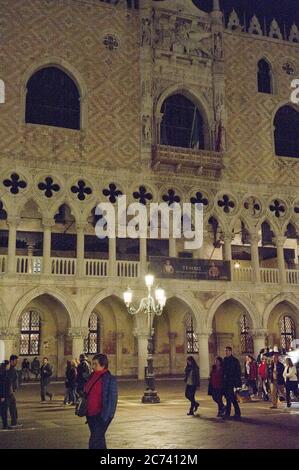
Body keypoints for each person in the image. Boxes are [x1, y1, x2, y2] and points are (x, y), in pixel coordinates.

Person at [85, 353, 118, 450]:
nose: (93, 366)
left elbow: (113, 400)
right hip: (91, 415)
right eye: (92, 364)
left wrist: (107, 417)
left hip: (102, 416)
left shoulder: (109, 379)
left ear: (103, 365)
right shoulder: (91, 376)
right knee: (99, 440)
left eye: (95, 364)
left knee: (94, 441)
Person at [222, 346, 242, 420]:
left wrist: (237, 383)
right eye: (225, 351)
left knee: (229, 398)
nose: (226, 352)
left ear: (230, 351)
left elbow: (237, 372)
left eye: (227, 351)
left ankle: (227, 414)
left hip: (231, 382)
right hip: (226, 382)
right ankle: (238, 412)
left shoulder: (235, 360)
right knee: (232, 398)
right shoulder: (225, 360)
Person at [6, 355, 22, 428]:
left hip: (11, 392)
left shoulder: (12, 369)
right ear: (11, 361)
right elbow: (9, 381)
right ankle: (12, 423)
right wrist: (11, 391)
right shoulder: (11, 370)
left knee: (12, 408)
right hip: (9, 393)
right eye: (15, 361)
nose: (16, 362)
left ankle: (14, 422)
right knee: (9, 408)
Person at [0, 361, 11, 430]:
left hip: (4, 394)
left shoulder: (3, 372)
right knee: (4, 410)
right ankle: (5, 425)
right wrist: (2, 396)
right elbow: (2, 386)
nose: (9, 366)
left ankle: (5, 424)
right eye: (8, 365)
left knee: (3, 410)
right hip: (4, 395)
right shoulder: (3, 373)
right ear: (7, 365)